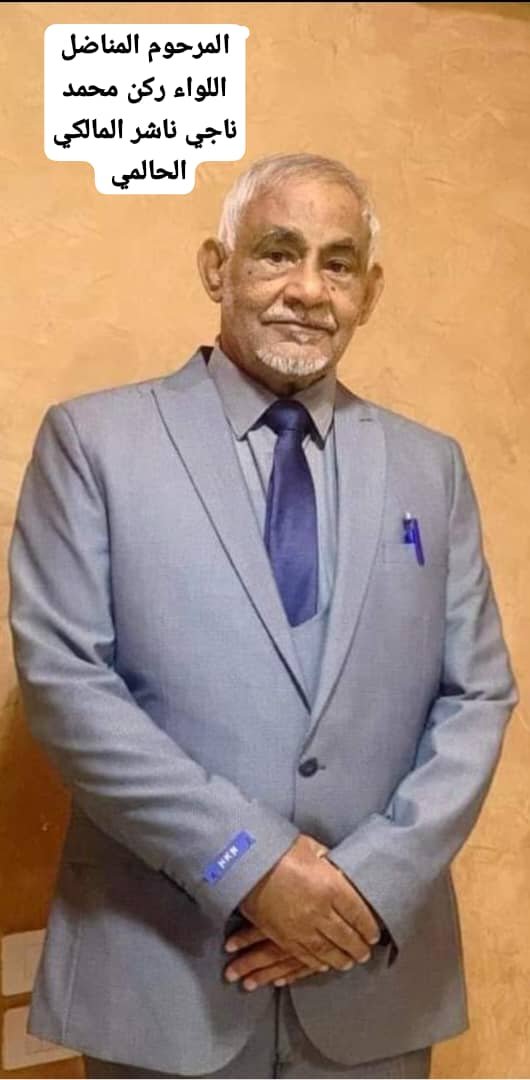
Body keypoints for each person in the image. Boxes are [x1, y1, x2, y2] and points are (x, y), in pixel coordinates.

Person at [8, 153, 517, 1080]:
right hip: (160, 976)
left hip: (371, 974)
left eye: (337, 263)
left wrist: (366, 887)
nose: (308, 290)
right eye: (278, 252)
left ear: (369, 292)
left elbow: (478, 694)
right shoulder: (92, 442)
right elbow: (67, 687)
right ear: (217, 267)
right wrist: (250, 866)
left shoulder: (430, 467)